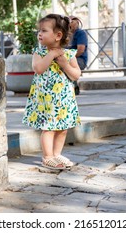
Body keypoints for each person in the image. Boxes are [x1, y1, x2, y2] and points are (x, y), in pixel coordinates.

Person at [22, 14, 81, 170]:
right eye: (39, 31)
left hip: (64, 99)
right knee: (49, 128)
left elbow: (76, 74)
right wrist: (51, 54)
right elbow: (39, 69)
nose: (39, 34)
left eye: (44, 30)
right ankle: (47, 157)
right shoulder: (39, 53)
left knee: (62, 128)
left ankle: (56, 154)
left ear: (58, 35)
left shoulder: (68, 55)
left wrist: (64, 64)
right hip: (46, 100)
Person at [69, 16, 88, 95]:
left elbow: (80, 50)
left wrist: (68, 58)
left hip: (79, 59)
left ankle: (73, 86)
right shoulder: (64, 34)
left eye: (72, 22)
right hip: (67, 57)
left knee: (67, 64)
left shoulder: (80, 33)